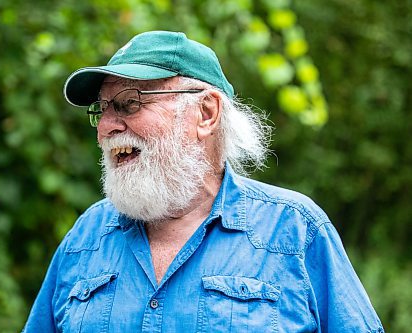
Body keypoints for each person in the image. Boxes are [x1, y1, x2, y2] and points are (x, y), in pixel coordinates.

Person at [23, 31, 384, 332]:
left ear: (206, 113)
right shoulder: (84, 240)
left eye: (130, 103)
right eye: (102, 109)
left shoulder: (294, 230)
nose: (106, 127)